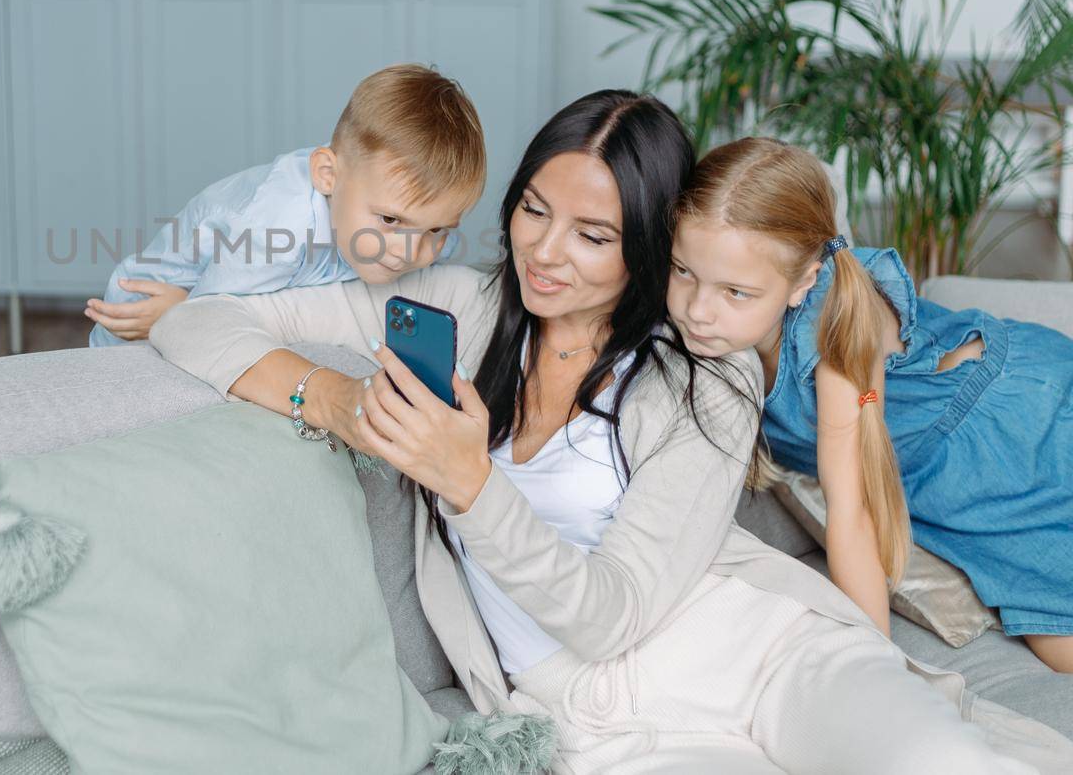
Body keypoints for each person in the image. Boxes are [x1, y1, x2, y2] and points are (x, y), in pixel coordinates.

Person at [150, 90, 1071, 773]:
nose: (545, 251)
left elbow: (613, 612)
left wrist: (471, 485)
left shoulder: (704, 378)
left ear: (645, 242)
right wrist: (335, 402)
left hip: (771, 658)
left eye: (593, 233)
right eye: (534, 210)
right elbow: (197, 319)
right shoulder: (463, 311)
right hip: (601, 725)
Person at [668, 135, 1073, 673]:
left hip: (1020, 420)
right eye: (683, 272)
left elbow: (852, 510)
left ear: (801, 283)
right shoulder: (698, 319)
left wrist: (878, 673)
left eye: (734, 292)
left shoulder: (832, 325)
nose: (697, 310)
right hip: (943, 466)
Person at [87, 63, 485, 345]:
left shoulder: (411, 229)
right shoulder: (276, 231)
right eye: (389, 219)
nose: (407, 252)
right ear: (327, 175)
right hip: (152, 305)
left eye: (435, 229)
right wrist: (179, 309)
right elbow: (210, 325)